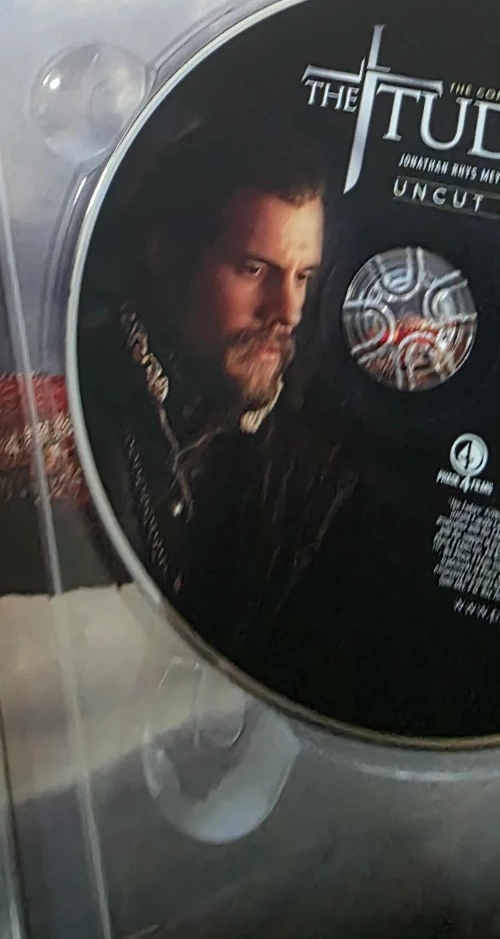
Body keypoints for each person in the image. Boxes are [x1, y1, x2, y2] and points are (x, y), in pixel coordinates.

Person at [75, 119, 356, 674]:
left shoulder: (310, 460)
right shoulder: (71, 399)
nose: (287, 311)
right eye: (253, 269)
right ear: (166, 253)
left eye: (302, 277)